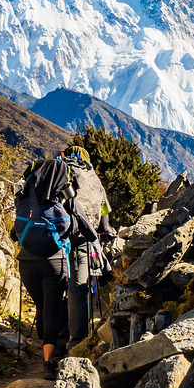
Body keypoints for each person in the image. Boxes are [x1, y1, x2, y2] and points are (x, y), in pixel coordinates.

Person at [12, 158, 73, 380]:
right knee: (51, 309)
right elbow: (72, 229)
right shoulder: (61, 201)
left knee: (40, 307)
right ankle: (49, 361)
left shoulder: (25, 198)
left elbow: (14, 232)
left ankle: (43, 355)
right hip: (53, 261)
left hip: (26, 263)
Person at [57, 146, 116, 349]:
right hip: (85, 240)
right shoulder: (94, 179)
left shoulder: (60, 171)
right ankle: (78, 341)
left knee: (58, 288)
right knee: (79, 290)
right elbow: (105, 214)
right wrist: (103, 229)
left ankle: (58, 337)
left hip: (58, 238)